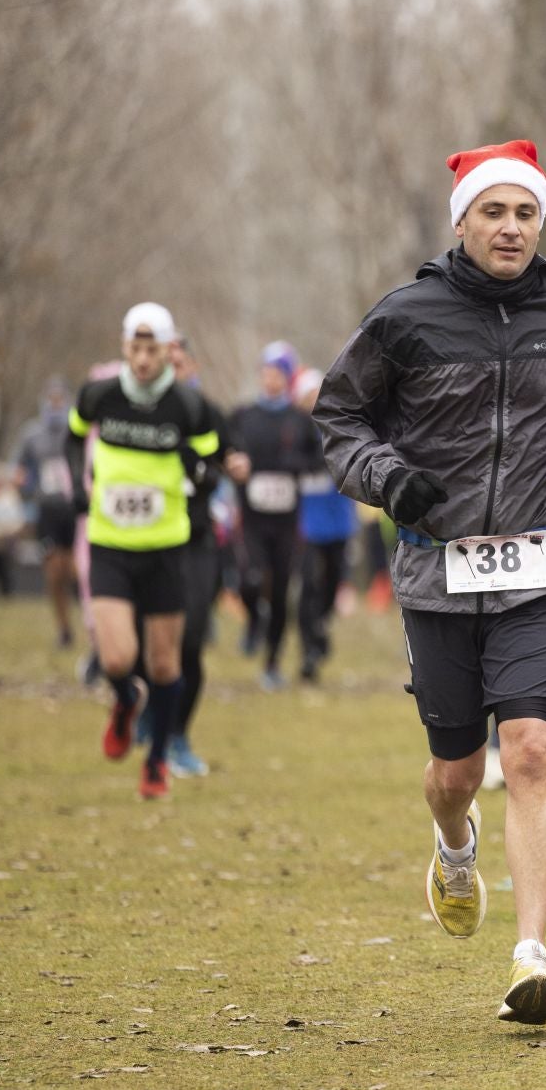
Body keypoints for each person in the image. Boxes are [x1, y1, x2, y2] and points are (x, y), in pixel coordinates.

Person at [314, 139, 546, 1025]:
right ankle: (456, 848)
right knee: (455, 770)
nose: (511, 227)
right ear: (462, 220)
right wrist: (388, 479)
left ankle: (533, 954)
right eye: (494, 211)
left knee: (530, 750)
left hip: (536, 568)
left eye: (525, 212)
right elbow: (339, 416)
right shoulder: (405, 317)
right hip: (435, 571)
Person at [63, 302, 222, 800]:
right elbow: (72, 436)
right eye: (136, 348)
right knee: (116, 659)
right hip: (110, 546)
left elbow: (212, 464)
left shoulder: (189, 407)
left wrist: (193, 471)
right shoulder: (99, 396)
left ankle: (155, 762)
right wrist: (79, 487)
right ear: (124, 347)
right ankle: (125, 700)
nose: (144, 359)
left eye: (153, 349)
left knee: (164, 665)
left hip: (165, 551)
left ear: (169, 350)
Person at [152, 333, 232, 778]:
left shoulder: (208, 414)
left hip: (198, 539)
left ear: (192, 368)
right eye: (168, 363)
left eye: (180, 363)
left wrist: (235, 464)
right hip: (151, 542)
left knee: (191, 640)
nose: (174, 370)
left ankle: (179, 735)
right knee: (150, 646)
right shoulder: (141, 418)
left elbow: (232, 451)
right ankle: (150, 716)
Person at [228, 342, 314, 689]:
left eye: (278, 373)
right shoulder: (244, 416)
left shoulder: (300, 421)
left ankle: (272, 661)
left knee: (280, 592)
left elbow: (320, 459)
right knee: (249, 578)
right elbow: (227, 453)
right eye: (266, 372)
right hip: (251, 517)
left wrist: (297, 466)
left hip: (286, 522)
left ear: (288, 377)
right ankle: (252, 619)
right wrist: (234, 464)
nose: (271, 379)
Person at [292, 368, 358, 684]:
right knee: (307, 586)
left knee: (330, 585)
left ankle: (320, 627)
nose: (311, 400)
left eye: (315, 393)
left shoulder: (338, 425)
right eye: (305, 395)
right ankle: (308, 650)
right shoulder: (293, 431)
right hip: (306, 524)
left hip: (337, 521)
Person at [15, 377, 80, 647]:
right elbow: (19, 471)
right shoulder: (31, 435)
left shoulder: (78, 432)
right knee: (55, 573)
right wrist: (25, 491)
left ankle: (94, 625)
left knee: (77, 569)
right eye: (51, 399)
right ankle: (64, 629)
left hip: (76, 509)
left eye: (59, 399)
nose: (55, 405)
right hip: (48, 511)